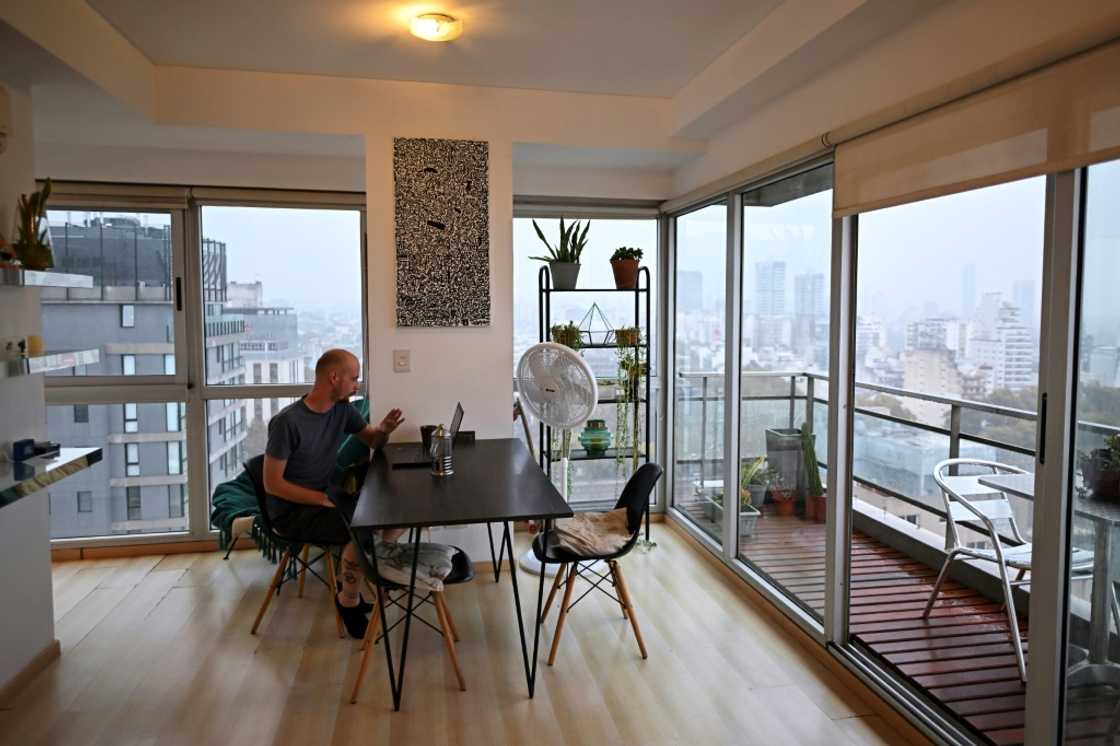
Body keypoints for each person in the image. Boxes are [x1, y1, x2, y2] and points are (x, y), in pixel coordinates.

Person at [262, 348, 404, 638]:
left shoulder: (342, 410)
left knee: (394, 512)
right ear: (334, 377)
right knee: (360, 527)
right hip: (292, 510)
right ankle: (348, 600)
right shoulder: (288, 422)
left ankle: (373, 571)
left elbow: (373, 440)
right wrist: (320, 499)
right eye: (353, 379)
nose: (356, 385)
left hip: (327, 497)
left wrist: (385, 430)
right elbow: (272, 484)